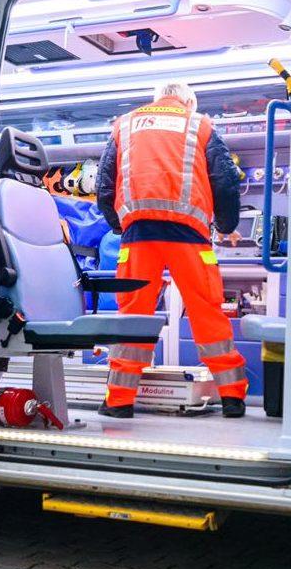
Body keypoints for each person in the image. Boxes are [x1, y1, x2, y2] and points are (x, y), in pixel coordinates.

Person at [96, 81, 248, 418]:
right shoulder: (200, 125)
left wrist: (120, 225)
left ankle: (119, 401)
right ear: (188, 102)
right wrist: (225, 225)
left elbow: (105, 184)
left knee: (133, 316)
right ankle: (232, 398)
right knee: (207, 311)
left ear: (157, 99)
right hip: (190, 236)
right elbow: (225, 180)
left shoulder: (125, 125)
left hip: (139, 236)